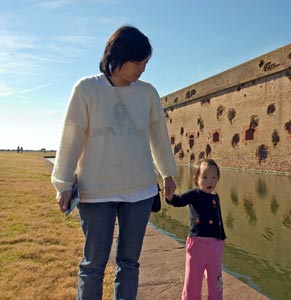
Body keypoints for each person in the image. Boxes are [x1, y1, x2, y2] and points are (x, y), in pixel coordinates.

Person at [51, 25, 177, 300]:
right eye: (138, 62)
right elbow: (71, 135)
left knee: (129, 264)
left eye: (146, 63)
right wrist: (62, 183)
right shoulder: (86, 89)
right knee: (93, 265)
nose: (142, 69)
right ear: (118, 56)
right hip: (96, 192)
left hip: (140, 191)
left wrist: (168, 174)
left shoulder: (148, 93)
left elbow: (159, 137)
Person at [166, 158, 227, 300]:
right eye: (205, 177)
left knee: (215, 278)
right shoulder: (194, 194)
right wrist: (170, 197)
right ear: (196, 179)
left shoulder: (215, 197)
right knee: (193, 280)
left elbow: (219, 219)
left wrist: (222, 238)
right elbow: (179, 200)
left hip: (215, 245)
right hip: (197, 245)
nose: (209, 181)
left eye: (213, 177)